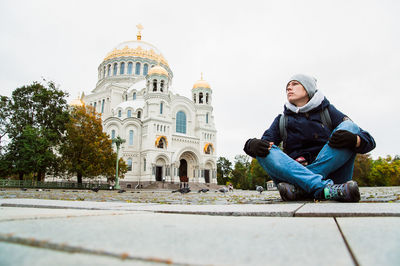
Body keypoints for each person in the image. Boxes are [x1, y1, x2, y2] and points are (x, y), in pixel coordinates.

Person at [243, 74, 376, 202]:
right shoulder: (281, 120)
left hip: (327, 176)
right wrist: (251, 145)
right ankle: (323, 189)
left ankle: (302, 188)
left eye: (294, 84)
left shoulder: (328, 112)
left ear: (308, 89)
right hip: (323, 183)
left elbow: (370, 141)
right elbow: (265, 145)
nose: (289, 88)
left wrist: (355, 140)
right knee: (263, 149)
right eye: (287, 86)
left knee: (349, 126)